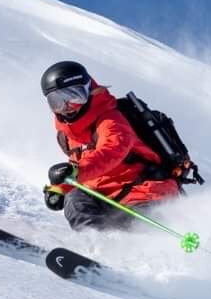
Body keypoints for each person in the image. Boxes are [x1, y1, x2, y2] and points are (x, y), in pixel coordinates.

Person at [40, 60, 181, 230]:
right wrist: (60, 188)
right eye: (57, 102)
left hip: (144, 192)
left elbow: (111, 152)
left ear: (89, 91)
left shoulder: (112, 121)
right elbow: (80, 168)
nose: (67, 107)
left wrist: (76, 171)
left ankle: (142, 251)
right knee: (74, 198)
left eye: (75, 96)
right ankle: (95, 243)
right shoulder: (67, 135)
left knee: (137, 228)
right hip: (108, 198)